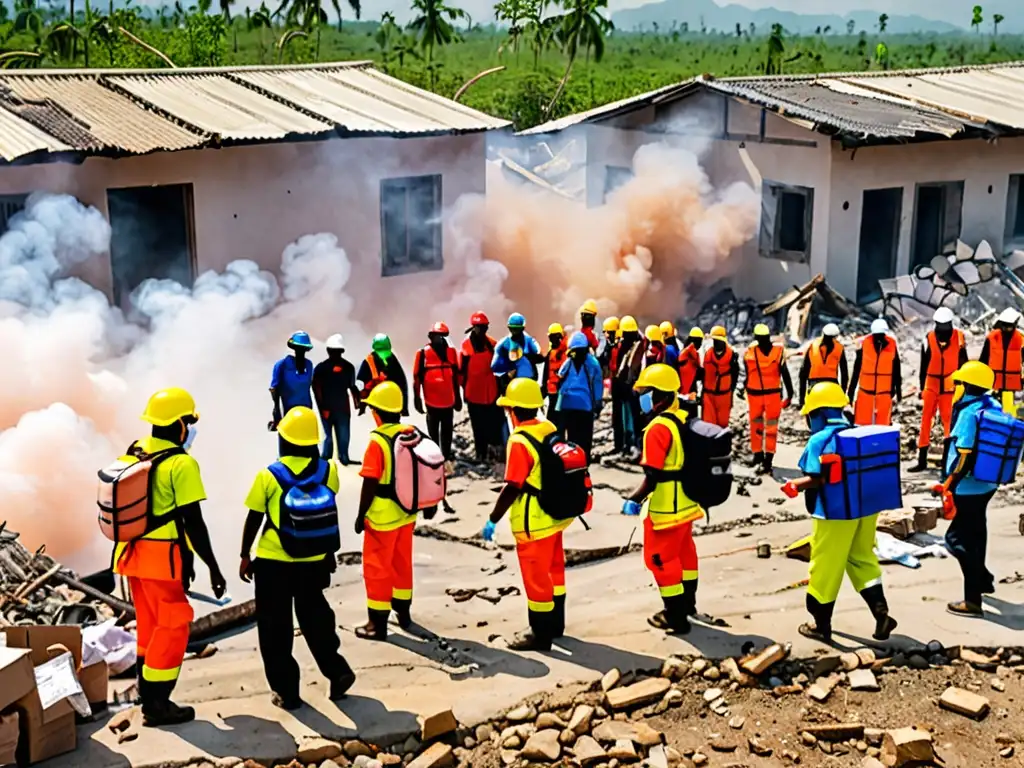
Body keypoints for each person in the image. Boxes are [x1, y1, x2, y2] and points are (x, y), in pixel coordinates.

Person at [114, 388, 226, 727]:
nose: (191, 427)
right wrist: (213, 568)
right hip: (162, 560)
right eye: (189, 421)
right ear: (178, 423)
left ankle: (147, 696)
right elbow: (193, 521)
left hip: (131, 555)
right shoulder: (181, 463)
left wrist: (189, 559)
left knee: (149, 628)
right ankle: (158, 705)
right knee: (174, 626)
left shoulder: (136, 451)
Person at [239, 406, 355, 710]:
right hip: (314, 558)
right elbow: (325, 511)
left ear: (285, 441)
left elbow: (254, 517)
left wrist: (244, 555)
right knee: (316, 616)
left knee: (275, 628)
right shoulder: (328, 470)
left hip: (274, 562)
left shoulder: (269, 475)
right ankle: (337, 669)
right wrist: (329, 553)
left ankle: (287, 692)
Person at [780, 382, 897, 643]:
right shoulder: (858, 435)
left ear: (819, 413)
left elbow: (815, 477)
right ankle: (881, 613)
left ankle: (821, 625)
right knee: (861, 558)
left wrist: (794, 485)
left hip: (835, 512)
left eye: (811, 415)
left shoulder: (820, 440)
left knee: (825, 566)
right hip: (866, 510)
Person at [482, 378, 570, 651]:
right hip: (556, 514)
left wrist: (492, 518)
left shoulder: (519, 440)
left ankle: (540, 635)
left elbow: (512, 486)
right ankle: (556, 625)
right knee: (555, 571)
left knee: (536, 578)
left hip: (533, 521)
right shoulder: (549, 428)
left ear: (513, 410)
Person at [621, 364, 703, 635]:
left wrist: (633, 499)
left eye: (647, 391)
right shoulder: (683, 417)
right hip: (689, 503)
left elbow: (652, 475)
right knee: (685, 554)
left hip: (666, 508)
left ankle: (676, 617)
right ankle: (688, 605)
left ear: (660, 395)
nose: (643, 396)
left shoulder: (658, 427)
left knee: (660, 559)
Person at [354, 381, 418, 641]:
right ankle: (404, 614)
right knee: (402, 563)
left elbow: (370, 481)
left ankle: (376, 624)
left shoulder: (378, 442)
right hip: (407, 512)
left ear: (377, 412)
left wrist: (361, 515)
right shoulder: (411, 433)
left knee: (377, 568)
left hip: (382, 517)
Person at [937, 362, 1000, 618]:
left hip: (968, 486)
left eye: (960, 383)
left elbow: (964, 456)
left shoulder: (968, 413)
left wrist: (950, 483)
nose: (957, 388)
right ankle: (983, 580)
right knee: (977, 531)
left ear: (968, 386)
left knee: (955, 540)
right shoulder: (993, 406)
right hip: (988, 484)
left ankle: (972, 599)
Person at [909, 307, 967, 472]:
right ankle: (921, 461)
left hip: (950, 386)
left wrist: (964, 386)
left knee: (948, 423)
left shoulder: (959, 338)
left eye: (945, 326)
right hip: (931, 385)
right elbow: (923, 365)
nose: (942, 329)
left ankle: (946, 461)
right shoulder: (929, 339)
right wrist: (922, 388)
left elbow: (964, 363)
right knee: (926, 421)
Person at [740, 324, 794, 474]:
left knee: (767, 428)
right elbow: (784, 373)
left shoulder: (751, 352)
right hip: (762, 395)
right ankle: (760, 457)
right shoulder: (767, 352)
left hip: (767, 395)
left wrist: (790, 393)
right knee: (762, 427)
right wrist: (790, 393)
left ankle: (766, 460)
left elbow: (784, 373)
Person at [413, 322, 462, 467]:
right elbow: (417, 378)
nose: (439, 340)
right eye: (436, 336)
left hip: (448, 401)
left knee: (447, 432)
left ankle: (445, 457)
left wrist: (458, 398)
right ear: (430, 336)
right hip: (431, 402)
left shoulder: (451, 353)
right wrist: (417, 398)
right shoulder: (422, 354)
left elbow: (455, 377)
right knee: (433, 432)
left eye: (442, 337)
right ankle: (434, 459)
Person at [313, 334, 360, 464]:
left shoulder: (323, 368)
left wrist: (358, 403)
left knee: (338, 436)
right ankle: (330, 459)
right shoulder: (345, 367)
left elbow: (352, 387)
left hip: (338, 408)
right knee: (331, 437)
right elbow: (316, 388)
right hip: (336, 408)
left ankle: (338, 458)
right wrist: (323, 408)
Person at [460, 312, 501, 463]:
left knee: (492, 425)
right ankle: (480, 454)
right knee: (478, 427)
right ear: (473, 327)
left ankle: (492, 454)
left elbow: (499, 369)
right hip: (473, 392)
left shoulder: (492, 345)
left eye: (483, 327)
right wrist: (462, 391)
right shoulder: (466, 346)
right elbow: (461, 371)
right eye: (478, 327)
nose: (480, 331)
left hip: (490, 392)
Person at [556, 331, 604, 460]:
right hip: (585, 405)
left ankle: (574, 462)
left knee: (572, 437)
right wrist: (598, 402)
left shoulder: (569, 361)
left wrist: (558, 405)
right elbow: (597, 384)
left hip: (568, 404)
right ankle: (584, 464)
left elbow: (560, 379)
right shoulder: (592, 363)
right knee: (585, 438)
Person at [848, 319, 902, 426]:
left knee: (883, 428)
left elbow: (896, 370)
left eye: (881, 334)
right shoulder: (864, 344)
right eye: (877, 335)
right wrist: (851, 392)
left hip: (884, 395)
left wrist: (898, 391)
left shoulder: (892, 345)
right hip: (865, 395)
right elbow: (856, 369)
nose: (879, 337)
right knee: (861, 427)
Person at [979, 307, 1024, 414]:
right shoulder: (992, 338)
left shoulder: (1021, 340)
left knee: (1009, 414)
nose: (1006, 328)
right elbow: (983, 360)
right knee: (991, 412)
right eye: (1004, 325)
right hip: (993, 384)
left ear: (1015, 324)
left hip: (1012, 386)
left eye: (1009, 326)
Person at [614, 317, 646, 456]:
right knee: (627, 419)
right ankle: (628, 445)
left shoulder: (638, 348)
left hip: (633, 390)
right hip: (626, 390)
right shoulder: (630, 347)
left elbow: (636, 369)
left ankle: (634, 446)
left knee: (633, 419)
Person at [270, 331, 315, 429]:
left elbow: (310, 386)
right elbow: (274, 389)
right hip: (288, 411)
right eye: (299, 348)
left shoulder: (309, 365)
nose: (301, 351)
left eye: (303, 349)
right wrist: (276, 409)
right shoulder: (282, 365)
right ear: (294, 348)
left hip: (306, 410)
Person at [357, 334, 410, 417]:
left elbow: (402, 383)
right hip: (376, 402)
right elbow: (360, 383)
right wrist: (361, 404)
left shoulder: (392, 359)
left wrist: (404, 407)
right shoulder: (369, 361)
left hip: (392, 401)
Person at [492, 313, 543, 395]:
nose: (515, 332)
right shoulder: (503, 344)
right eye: (513, 329)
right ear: (509, 328)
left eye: (517, 329)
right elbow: (494, 366)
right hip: (511, 386)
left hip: (529, 384)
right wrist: (508, 369)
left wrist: (526, 356)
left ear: (523, 328)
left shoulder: (529, 341)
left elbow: (540, 357)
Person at [798, 324, 849, 406]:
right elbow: (844, 374)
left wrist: (801, 400)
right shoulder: (839, 348)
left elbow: (803, 373)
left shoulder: (813, 346)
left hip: (814, 387)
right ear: (835, 336)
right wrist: (842, 394)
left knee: (813, 415)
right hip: (831, 387)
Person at [702, 326, 738, 428]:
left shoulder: (732, 356)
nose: (716, 342)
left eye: (718, 340)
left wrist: (732, 392)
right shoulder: (707, 354)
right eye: (714, 340)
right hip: (708, 396)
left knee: (722, 426)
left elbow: (735, 375)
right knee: (708, 426)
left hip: (724, 396)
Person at [598, 317, 623, 452]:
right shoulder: (610, 346)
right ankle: (618, 445)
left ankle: (623, 445)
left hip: (622, 385)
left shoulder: (620, 346)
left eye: (609, 332)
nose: (607, 335)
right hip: (615, 384)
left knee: (622, 418)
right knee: (616, 418)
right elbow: (603, 361)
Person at [542, 323, 568, 430]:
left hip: (560, 390)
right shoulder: (552, 352)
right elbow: (546, 371)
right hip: (552, 390)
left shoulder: (565, 352)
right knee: (553, 419)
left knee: (558, 420)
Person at [677, 327, 704, 407]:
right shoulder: (690, 352)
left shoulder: (686, 351)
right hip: (687, 391)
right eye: (700, 341)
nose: (701, 344)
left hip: (686, 390)